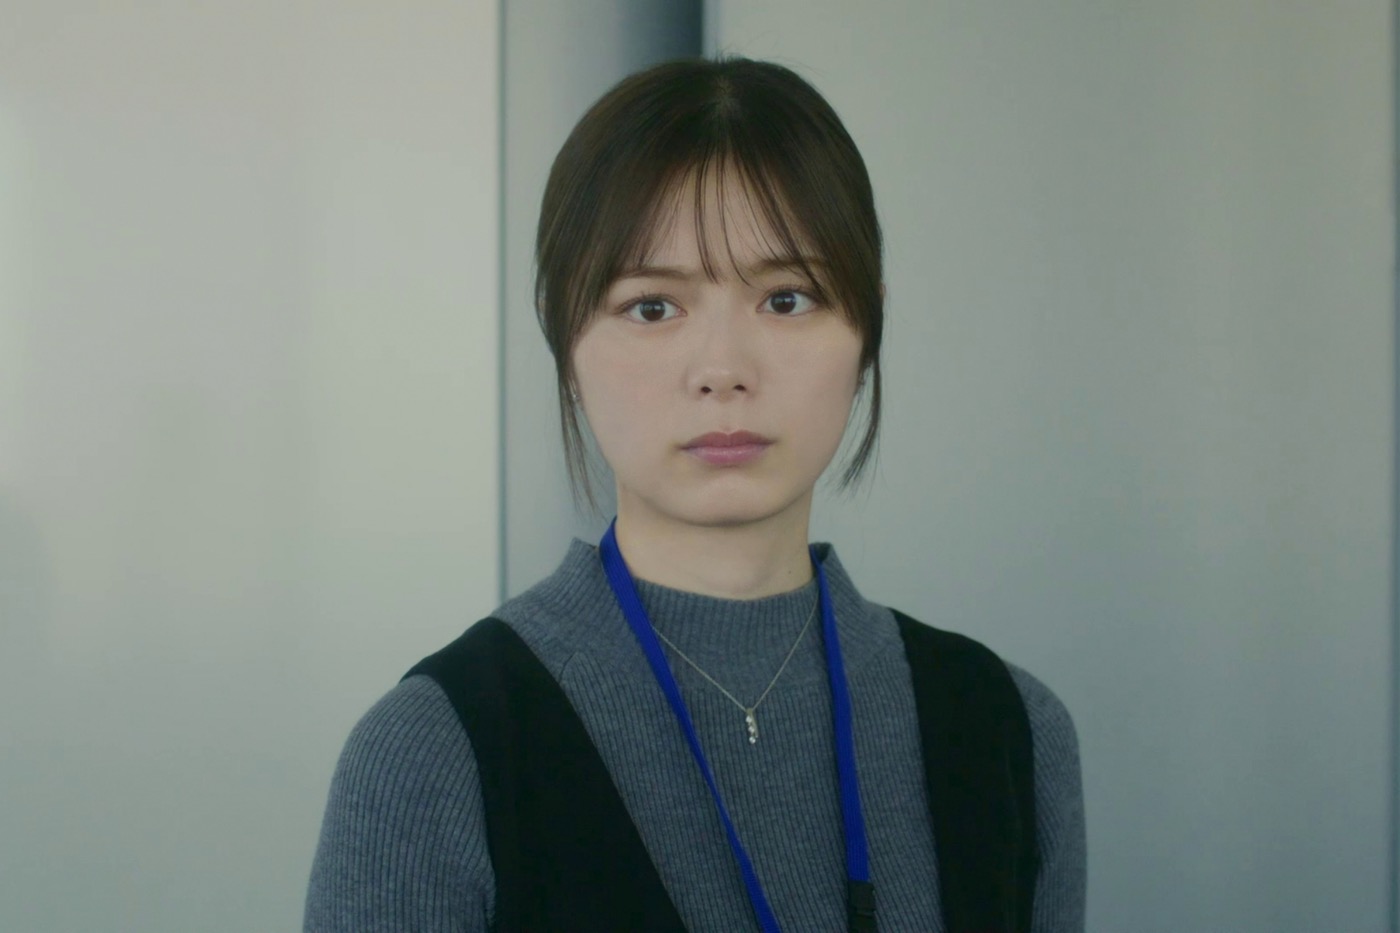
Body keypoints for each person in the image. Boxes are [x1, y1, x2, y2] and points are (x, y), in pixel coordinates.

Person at [304, 56, 1085, 932]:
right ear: (565, 341)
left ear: (868, 328)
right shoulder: (434, 750)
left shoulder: (1007, 731)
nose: (723, 369)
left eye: (786, 299)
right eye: (652, 307)